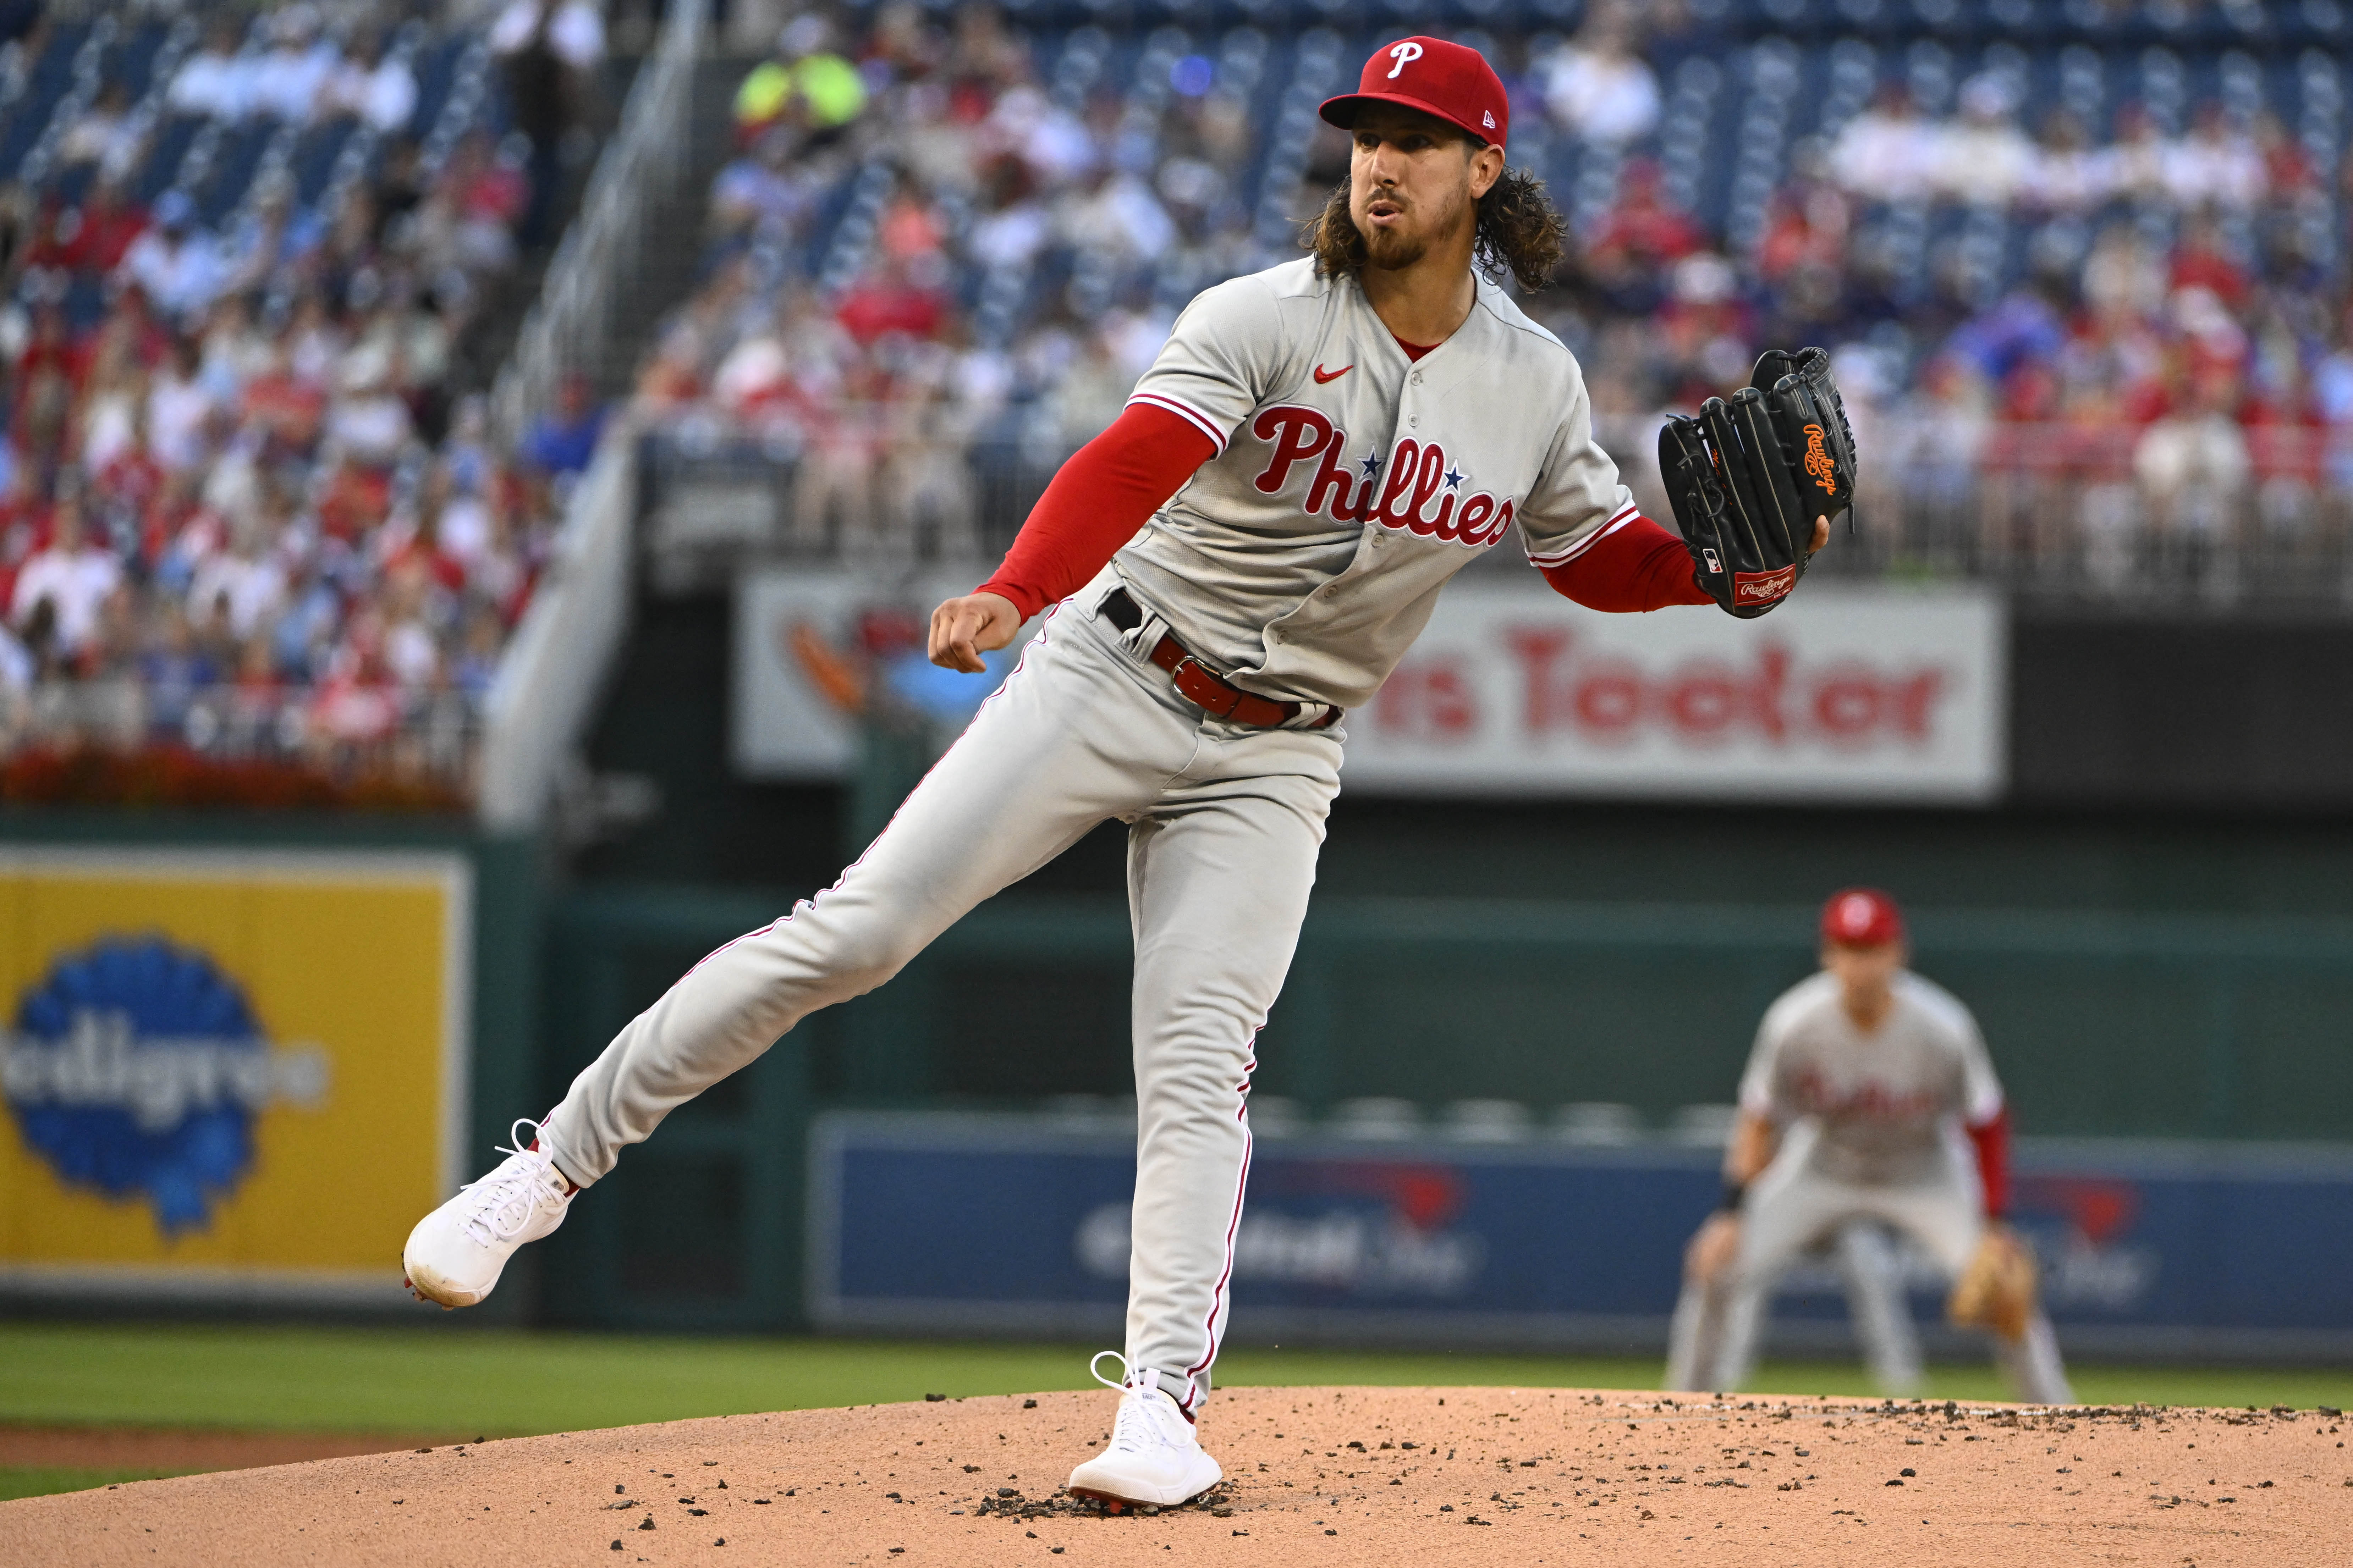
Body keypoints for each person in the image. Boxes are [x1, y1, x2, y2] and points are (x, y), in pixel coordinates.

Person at [402, 37, 1836, 1508]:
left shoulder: (1531, 380)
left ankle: (1157, 1409)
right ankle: (547, 1168)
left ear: (1484, 169)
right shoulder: (1263, 314)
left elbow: (1589, 549)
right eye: (1363, 133)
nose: (1379, 161)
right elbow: (1131, 460)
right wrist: (1018, 591)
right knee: (860, 930)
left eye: (1413, 137)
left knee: (1201, 1064)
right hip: (1112, 667)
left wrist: (1713, 585)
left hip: (1279, 747)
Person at [1664, 888, 2073, 1404]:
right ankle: (1680, 1411)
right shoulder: (1794, 1022)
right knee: (1716, 1267)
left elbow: (1987, 1121)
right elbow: (1759, 1118)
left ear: (1897, 953)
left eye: (1871, 949)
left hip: (1925, 1172)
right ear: (1827, 956)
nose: (1860, 965)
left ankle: (2062, 1419)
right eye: (1848, 949)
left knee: (2006, 1288)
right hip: (1823, 1167)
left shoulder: (1943, 1026)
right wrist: (1730, 1214)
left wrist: (1995, 1224)